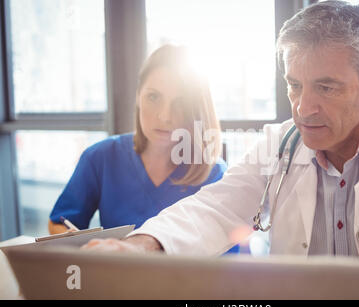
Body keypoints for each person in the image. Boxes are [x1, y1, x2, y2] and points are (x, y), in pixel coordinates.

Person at [82, 1, 359, 298]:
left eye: (326, 87)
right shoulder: (279, 146)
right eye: (294, 85)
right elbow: (213, 209)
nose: (303, 108)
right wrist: (140, 247)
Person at [48, 44, 239, 252]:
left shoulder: (213, 174)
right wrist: (93, 252)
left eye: (181, 103)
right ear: (138, 95)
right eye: (153, 97)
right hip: (115, 281)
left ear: (195, 109)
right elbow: (59, 222)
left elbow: (226, 258)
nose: (165, 116)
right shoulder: (100, 157)